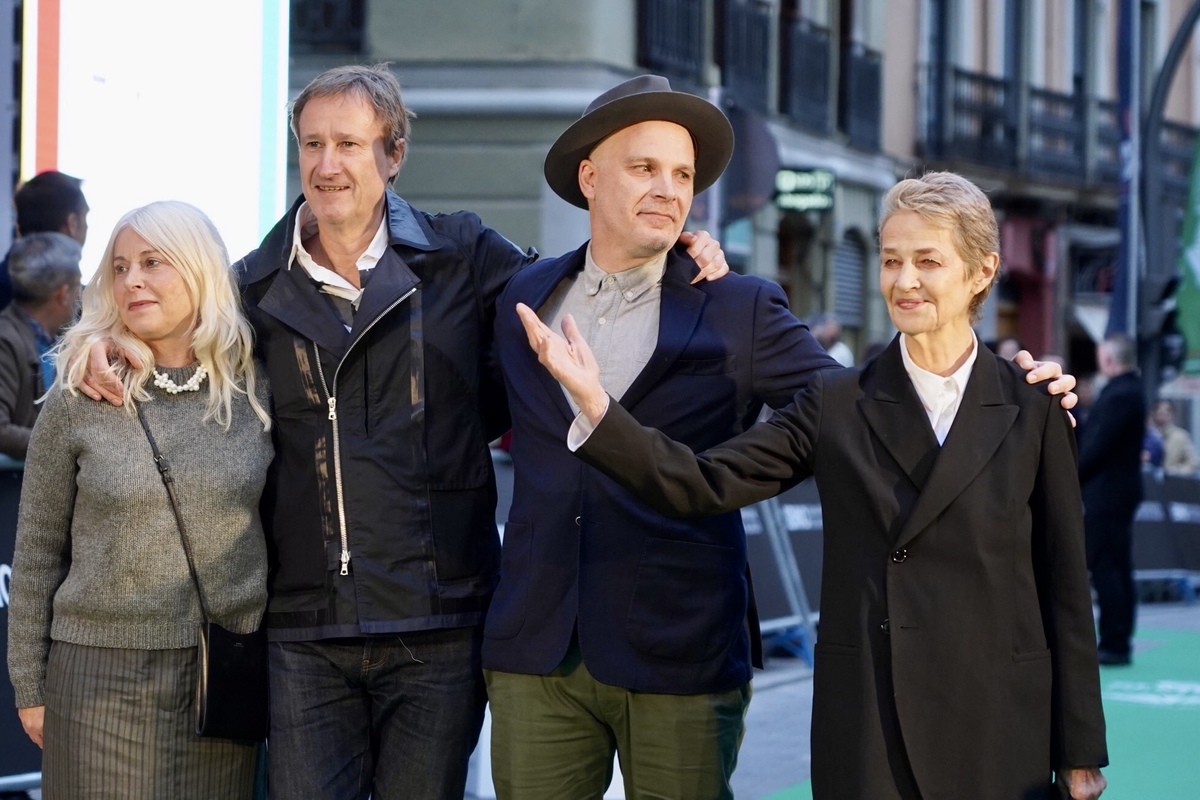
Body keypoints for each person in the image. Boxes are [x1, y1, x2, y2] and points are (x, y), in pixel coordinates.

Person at [78, 64, 726, 799]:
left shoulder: (465, 255)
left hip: (440, 620)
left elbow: (584, 287)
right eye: (312, 144)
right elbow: (170, 341)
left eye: (350, 144)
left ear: (394, 155)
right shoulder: (249, 285)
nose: (328, 166)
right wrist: (109, 344)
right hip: (302, 629)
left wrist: (673, 251)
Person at [487, 82, 1082, 799]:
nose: (668, 190)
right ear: (590, 177)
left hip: (679, 646)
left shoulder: (739, 305)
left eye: (682, 175)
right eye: (645, 168)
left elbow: (870, 408)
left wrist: (1002, 385)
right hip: (536, 644)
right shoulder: (520, 297)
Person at [6, 201, 272, 798]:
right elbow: (38, 550)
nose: (132, 281)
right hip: (98, 677)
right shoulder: (81, 395)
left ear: (200, 270)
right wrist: (30, 684)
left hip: (219, 678)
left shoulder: (256, 391)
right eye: (120, 266)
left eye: (153, 262)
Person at [1079, 333, 1146, 667]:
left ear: (1108, 360)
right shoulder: (1130, 392)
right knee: (1117, 566)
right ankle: (1118, 639)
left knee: (1107, 566)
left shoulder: (1120, 395)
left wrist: (1071, 474)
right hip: (1117, 493)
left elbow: (1097, 446)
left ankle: (1114, 641)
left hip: (1107, 495)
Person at [0, 232, 82, 459]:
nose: (81, 294)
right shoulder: (5, 341)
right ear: (63, 295)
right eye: (78, 285)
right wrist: (71, 445)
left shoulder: (58, 341)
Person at [0, 171, 90, 310]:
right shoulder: (82, 309)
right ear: (72, 224)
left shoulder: (5, 282)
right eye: (85, 218)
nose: (87, 227)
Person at [1150, 399, 1197, 475]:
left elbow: (1193, 463)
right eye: (1159, 413)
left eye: (1166, 414)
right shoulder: (1148, 436)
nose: (1162, 417)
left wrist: (1177, 471)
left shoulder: (1181, 436)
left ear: (1172, 415)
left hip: (1171, 482)